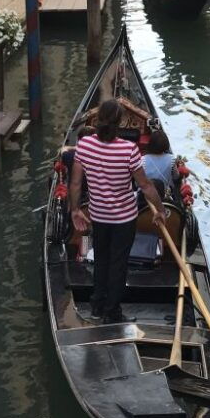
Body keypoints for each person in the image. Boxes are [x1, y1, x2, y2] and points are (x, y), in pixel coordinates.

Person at [69, 100, 166, 323]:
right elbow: (145, 185)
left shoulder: (84, 145)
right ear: (120, 122)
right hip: (124, 219)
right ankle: (112, 311)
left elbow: (75, 184)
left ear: (97, 119)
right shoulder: (129, 149)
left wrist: (75, 210)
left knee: (101, 260)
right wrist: (160, 210)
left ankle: (97, 307)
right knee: (118, 264)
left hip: (98, 216)